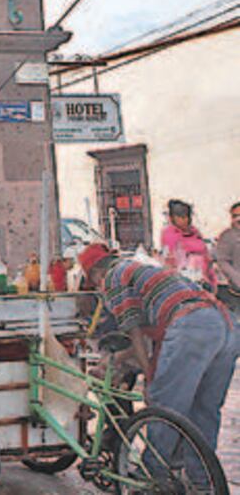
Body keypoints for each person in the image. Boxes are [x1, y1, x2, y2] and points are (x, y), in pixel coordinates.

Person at [78, 242, 238, 479]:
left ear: (95, 273)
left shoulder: (112, 277)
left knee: (164, 406)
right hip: (225, 326)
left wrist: (149, 377)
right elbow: (147, 339)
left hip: (191, 325)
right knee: (204, 410)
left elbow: (135, 334)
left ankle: (152, 475)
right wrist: (117, 360)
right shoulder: (145, 270)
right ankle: (202, 480)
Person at [160, 199, 213, 289]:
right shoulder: (169, 234)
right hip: (185, 281)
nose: (185, 220)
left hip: (204, 277)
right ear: (172, 218)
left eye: (186, 216)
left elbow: (205, 253)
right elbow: (171, 260)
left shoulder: (194, 231)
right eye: (181, 217)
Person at [215, 201, 240, 290]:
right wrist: (237, 280)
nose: (238, 219)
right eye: (235, 216)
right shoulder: (227, 236)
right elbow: (222, 261)